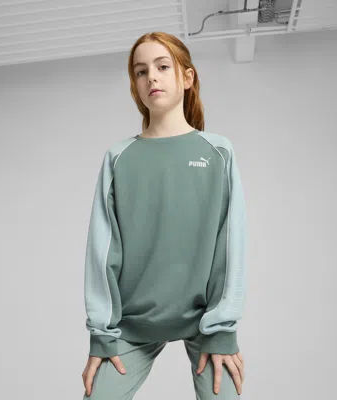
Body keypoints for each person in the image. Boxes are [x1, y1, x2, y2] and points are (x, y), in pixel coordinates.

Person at [81, 31, 247, 399]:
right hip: (133, 324)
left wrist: (223, 330)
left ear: (187, 78)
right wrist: (101, 336)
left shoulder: (218, 152)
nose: (151, 77)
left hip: (205, 322)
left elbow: (230, 243)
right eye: (141, 72)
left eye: (162, 67)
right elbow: (103, 250)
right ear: (135, 86)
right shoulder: (119, 157)